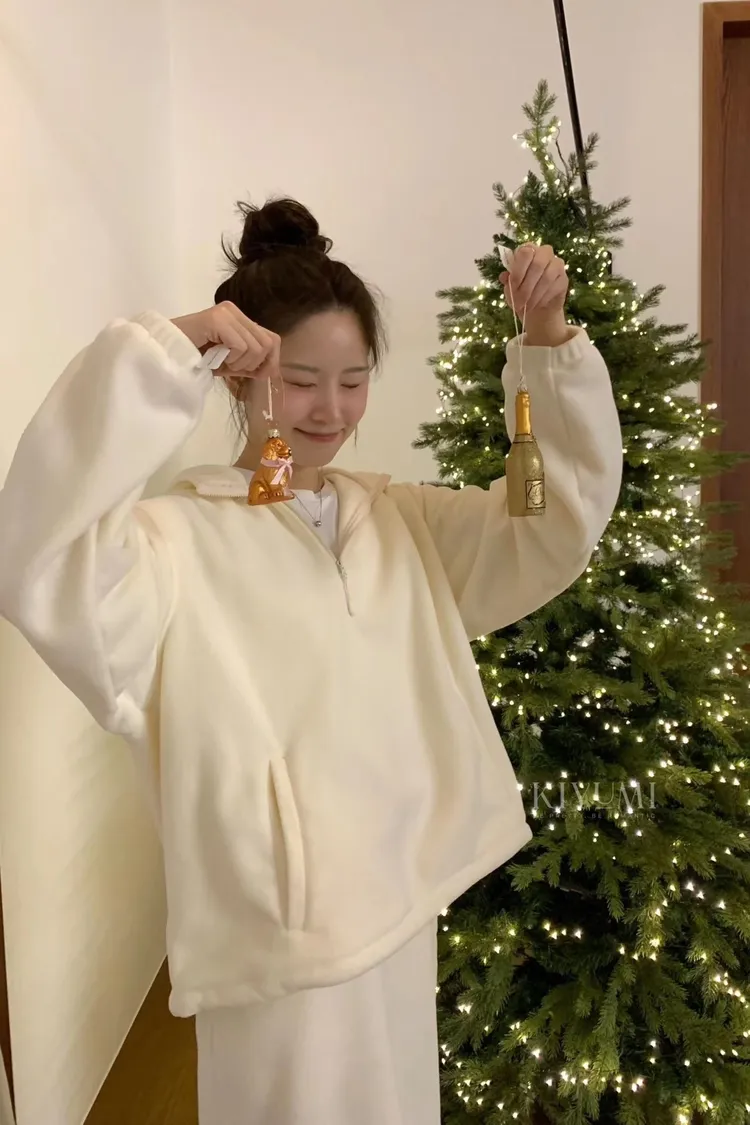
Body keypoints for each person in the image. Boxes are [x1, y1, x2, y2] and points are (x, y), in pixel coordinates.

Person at [0, 197, 622, 1125]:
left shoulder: (401, 522)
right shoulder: (172, 543)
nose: (331, 410)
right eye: (300, 381)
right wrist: (168, 348)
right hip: (274, 948)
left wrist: (546, 341)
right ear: (239, 378)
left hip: (401, 909)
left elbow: (552, 523)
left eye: (353, 380)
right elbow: (41, 558)